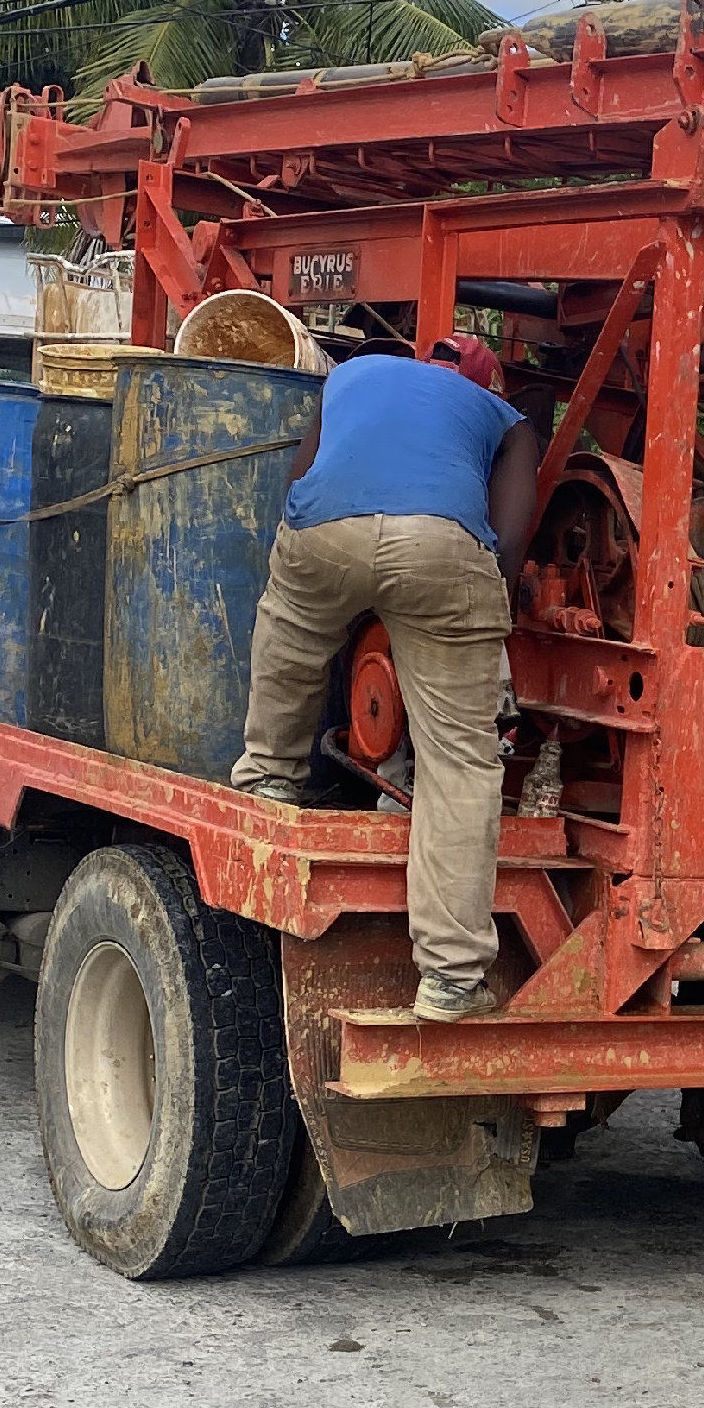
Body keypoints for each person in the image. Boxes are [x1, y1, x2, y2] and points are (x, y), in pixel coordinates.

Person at [233, 335, 541, 1022]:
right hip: (440, 543)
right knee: (460, 762)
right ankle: (451, 980)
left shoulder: (354, 375)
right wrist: (495, 596)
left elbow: (300, 477)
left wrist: (320, 566)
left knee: (289, 632)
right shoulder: (503, 418)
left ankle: (270, 775)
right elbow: (511, 527)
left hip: (325, 527)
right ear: (489, 388)